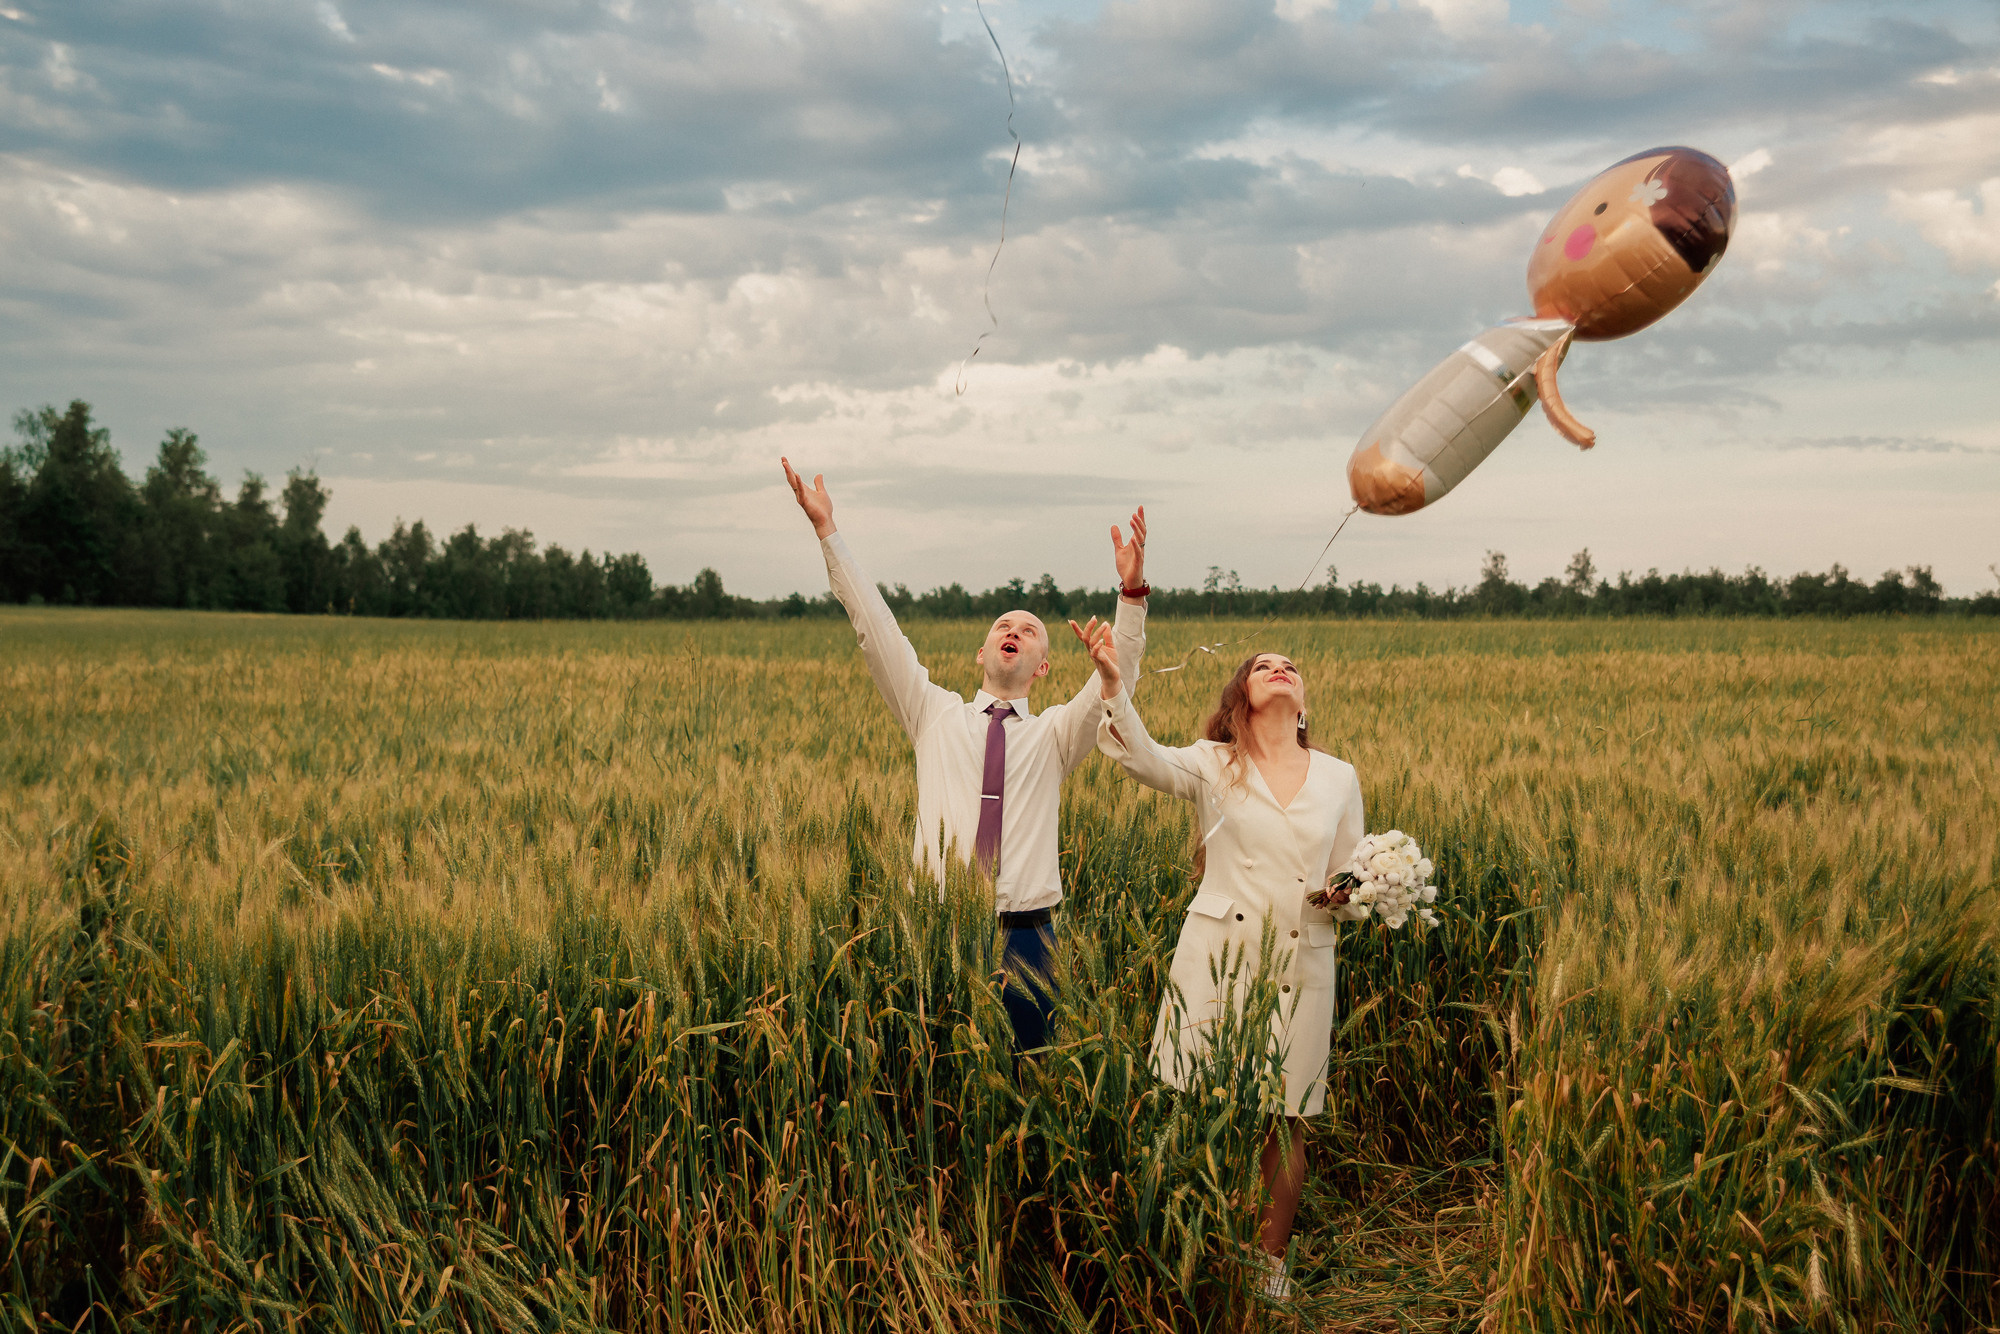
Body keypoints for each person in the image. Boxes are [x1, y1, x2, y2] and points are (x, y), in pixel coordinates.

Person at [780, 457, 1151, 1056]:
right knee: (932, 1086)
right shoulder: (931, 713)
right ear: (981, 654)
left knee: (1031, 1083)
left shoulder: (1057, 735)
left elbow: (1118, 678)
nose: (1015, 629)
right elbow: (875, 629)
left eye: (1030, 629)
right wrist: (828, 531)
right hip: (937, 930)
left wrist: (1131, 595)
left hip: (1028, 939)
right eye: (1003, 624)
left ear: (1045, 664)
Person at [1075, 638, 1369, 1301]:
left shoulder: (1338, 775)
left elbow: (1354, 868)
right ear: (1241, 697)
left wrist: (1348, 894)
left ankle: (1268, 1264)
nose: (1280, 668)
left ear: (1302, 703)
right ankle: (1193, 1242)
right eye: (1262, 665)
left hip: (1302, 956)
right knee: (1201, 1101)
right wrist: (1113, 681)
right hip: (1219, 958)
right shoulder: (1214, 762)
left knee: (1285, 1116)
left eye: (1290, 664)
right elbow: (1142, 757)